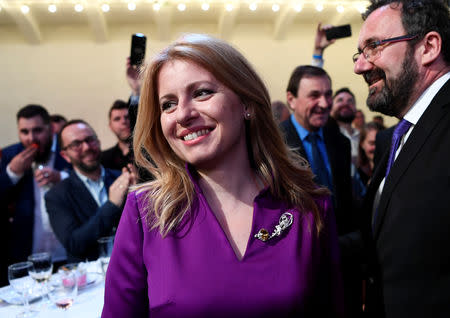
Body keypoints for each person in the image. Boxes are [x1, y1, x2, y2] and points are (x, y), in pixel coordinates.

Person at [102, 34, 344, 318]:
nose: (182, 114)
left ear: (247, 103)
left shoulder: (309, 208)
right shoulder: (144, 213)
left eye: (202, 92)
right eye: (167, 104)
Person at [353, 0, 450, 316]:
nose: (360, 66)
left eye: (374, 47)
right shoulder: (397, 136)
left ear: (428, 47)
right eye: (360, 53)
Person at [280, 65, 360, 316]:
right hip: (294, 267)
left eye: (328, 94)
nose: (325, 103)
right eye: (314, 95)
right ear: (291, 99)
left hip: (341, 263)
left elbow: (344, 201)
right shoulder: (273, 144)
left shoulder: (339, 140)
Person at [45, 120, 136, 263]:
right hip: (90, 280)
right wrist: (111, 204)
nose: (87, 147)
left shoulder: (123, 178)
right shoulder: (56, 195)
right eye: (76, 144)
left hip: (132, 267)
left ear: (98, 142)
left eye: (90, 140)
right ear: (65, 155)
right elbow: (74, 244)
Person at [0, 105, 71, 285]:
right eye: (24, 132)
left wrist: (61, 177)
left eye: (37, 130)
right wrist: (11, 173)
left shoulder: (68, 148)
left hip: (66, 249)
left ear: (50, 128)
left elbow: (87, 177)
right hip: (29, 251)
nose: (31, 138)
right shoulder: (9, 155)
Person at [330, 87, 360, 166]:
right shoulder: (324, 135)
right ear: (331, 107)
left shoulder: (362, 137)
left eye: (350, 101)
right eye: (340, 100)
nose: (345, 104)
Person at [101, 100, 133, 170]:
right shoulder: (103, 159)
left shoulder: (151, 151)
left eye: (127, 117)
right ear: (110, 126)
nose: (124, 121)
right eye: (117, 119)